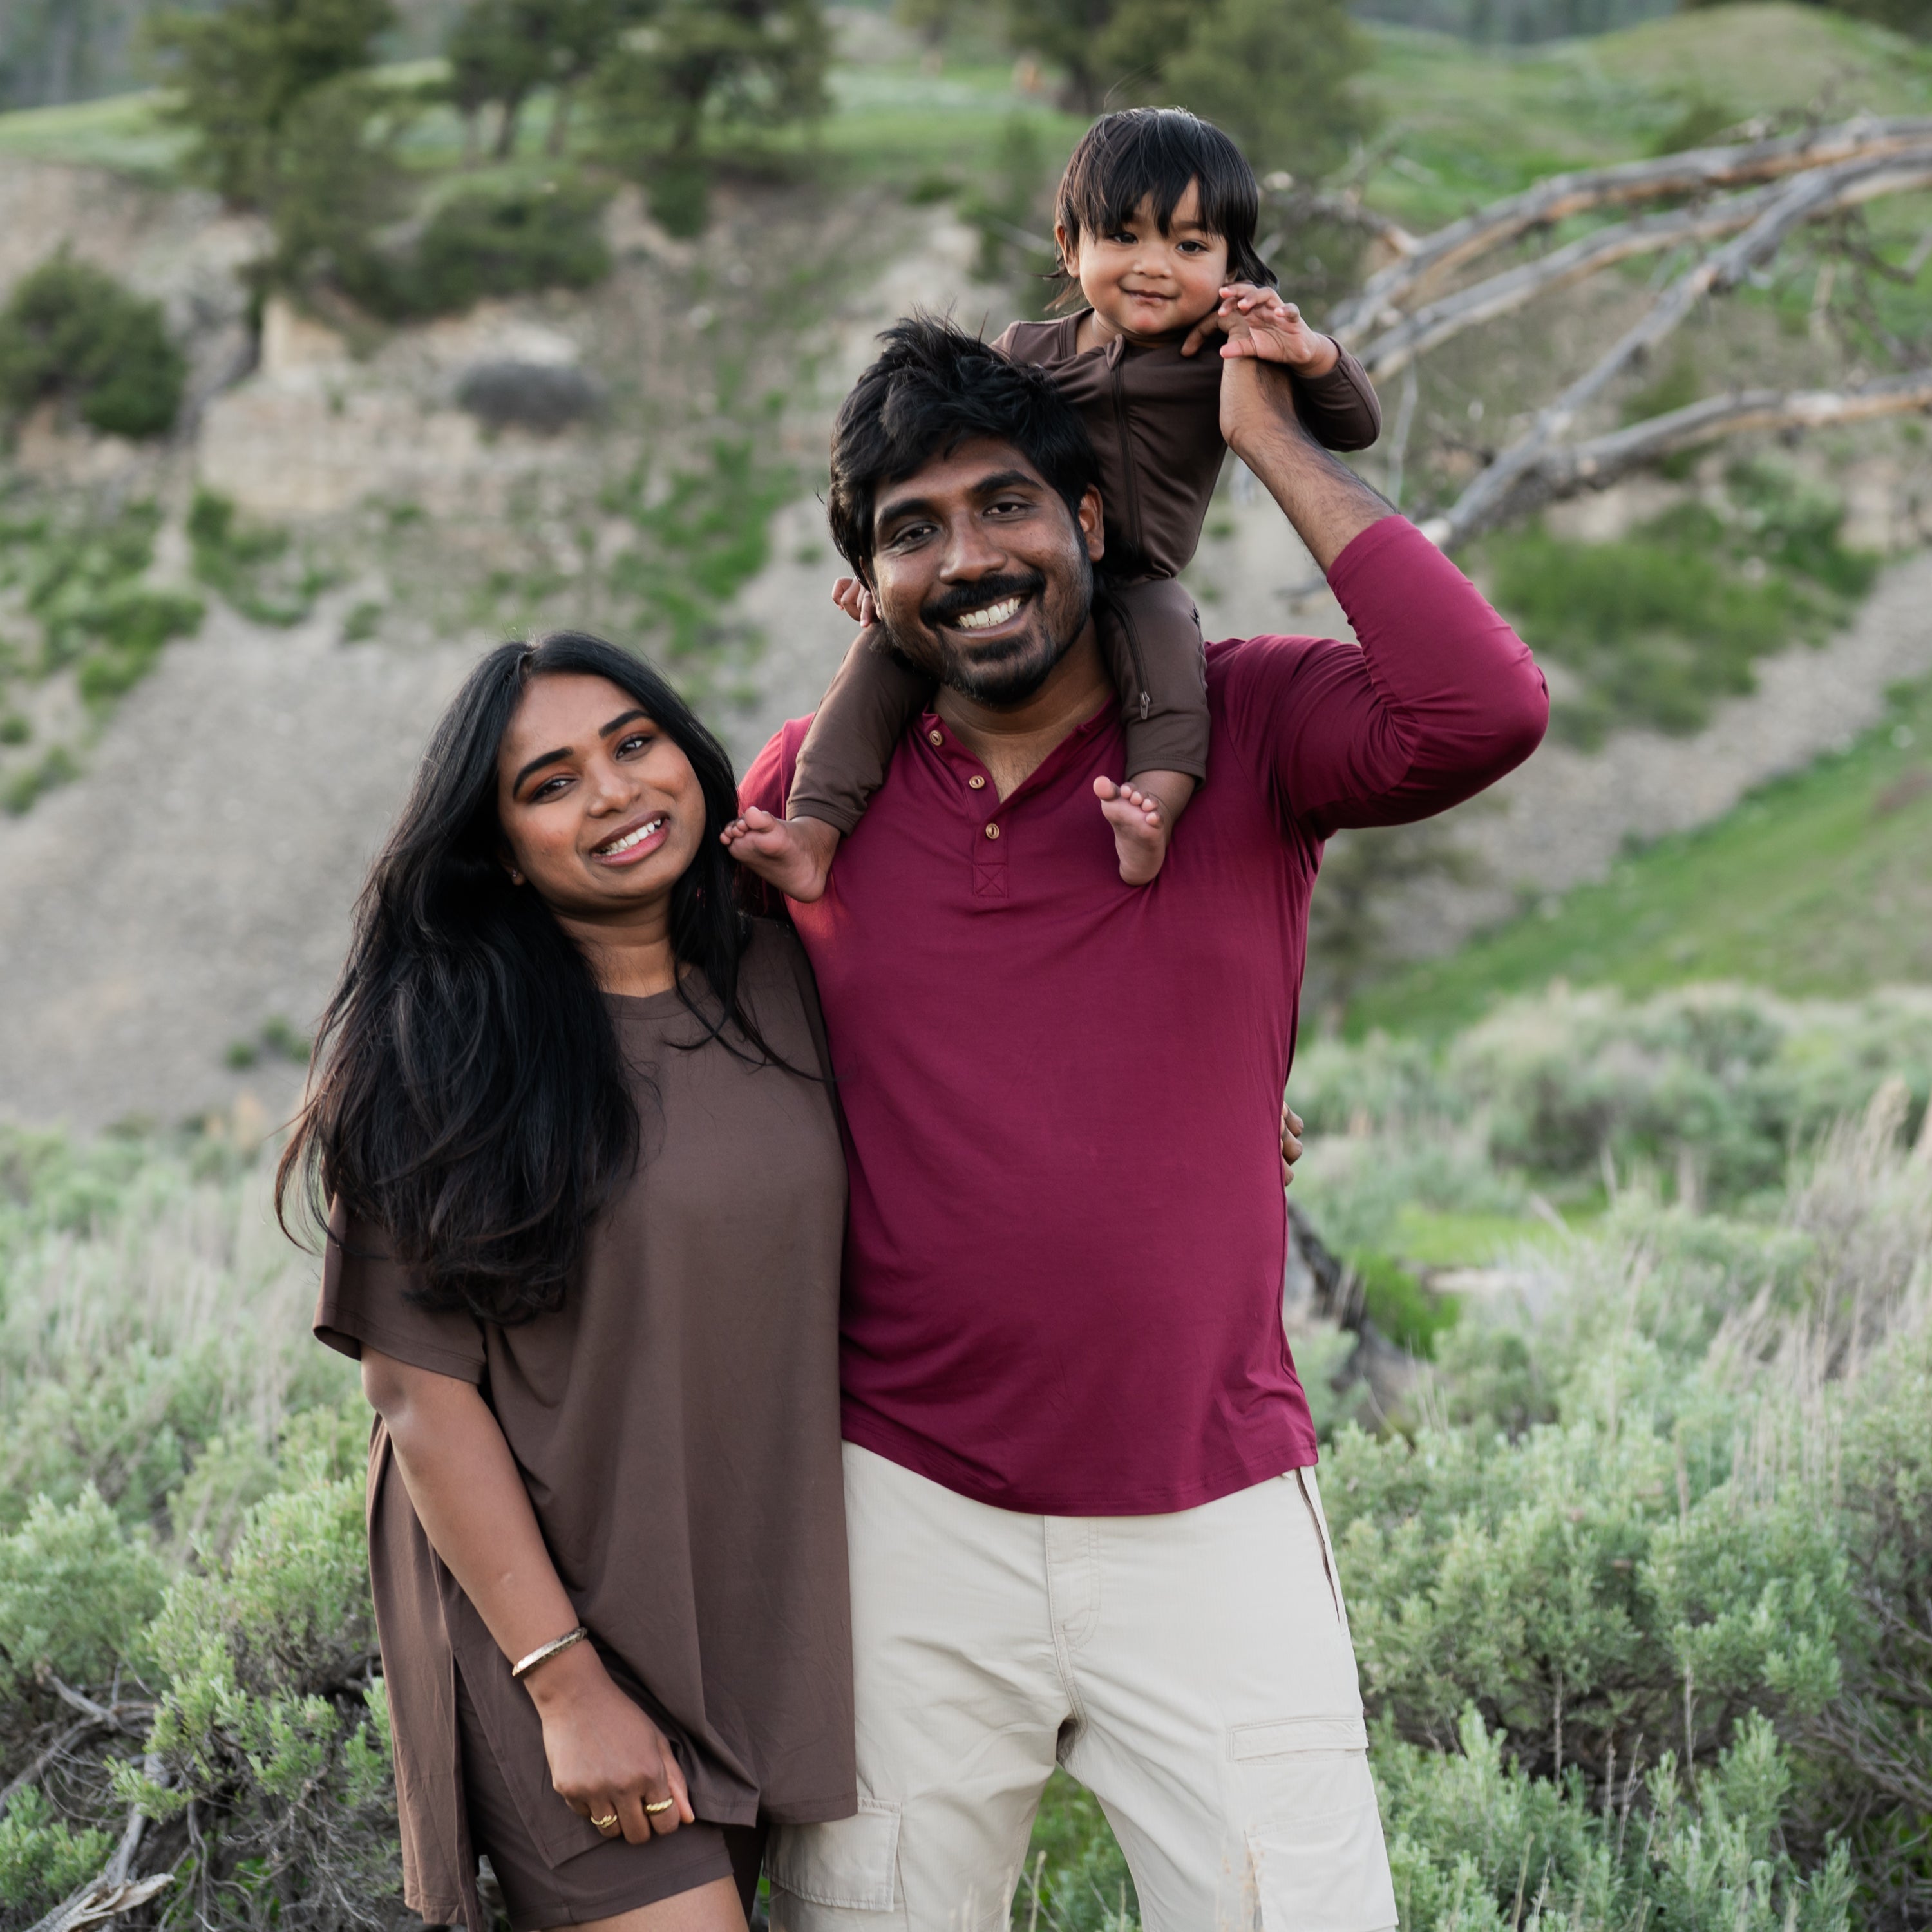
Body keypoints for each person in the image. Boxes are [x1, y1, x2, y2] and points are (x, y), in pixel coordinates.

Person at [723, 316, 1548, 1930]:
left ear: (1089, 518)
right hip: (903, 1510)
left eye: (1006, 504)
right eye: (913, 531)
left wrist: (1266, 438)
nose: (971, 557)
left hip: (1211, 1505)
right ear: (864, 594)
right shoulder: (807, 804)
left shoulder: (1246, 727)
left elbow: (1483, 709)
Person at [280, 634, 855, 1932]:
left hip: (754, 1603)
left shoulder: (782, 971)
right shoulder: (441, 1048)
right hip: (548, 1607)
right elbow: (417, 1394)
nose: (613, 794)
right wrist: (562, 1682)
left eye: (633, 743)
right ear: (496, 846)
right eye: (549, 783)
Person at [738, 108, 1380, 900]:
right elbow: (922, 467)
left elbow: (1356, 427)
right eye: (1124, 237)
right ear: (1070, 245)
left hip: (1137, 574)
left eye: (1189, 245)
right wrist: (883, 581)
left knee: (1171, 664)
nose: (1154, 266)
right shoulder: (1021, 354)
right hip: (1029, 570)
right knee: (876, 665)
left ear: (1231, 264)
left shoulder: (1224, 355)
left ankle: (1151, 815)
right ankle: (813, 828)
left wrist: (1311, 355)